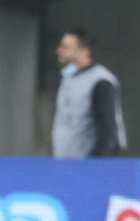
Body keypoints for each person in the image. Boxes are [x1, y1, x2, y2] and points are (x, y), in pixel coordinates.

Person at [52, 28, 126, 158]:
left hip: (86, 165)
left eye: (66, 47)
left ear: (84, 52)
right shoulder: (68, 77)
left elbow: (107, 131)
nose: (59, 51)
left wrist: (94, 163)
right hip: (65, 163)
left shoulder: (100, 81)